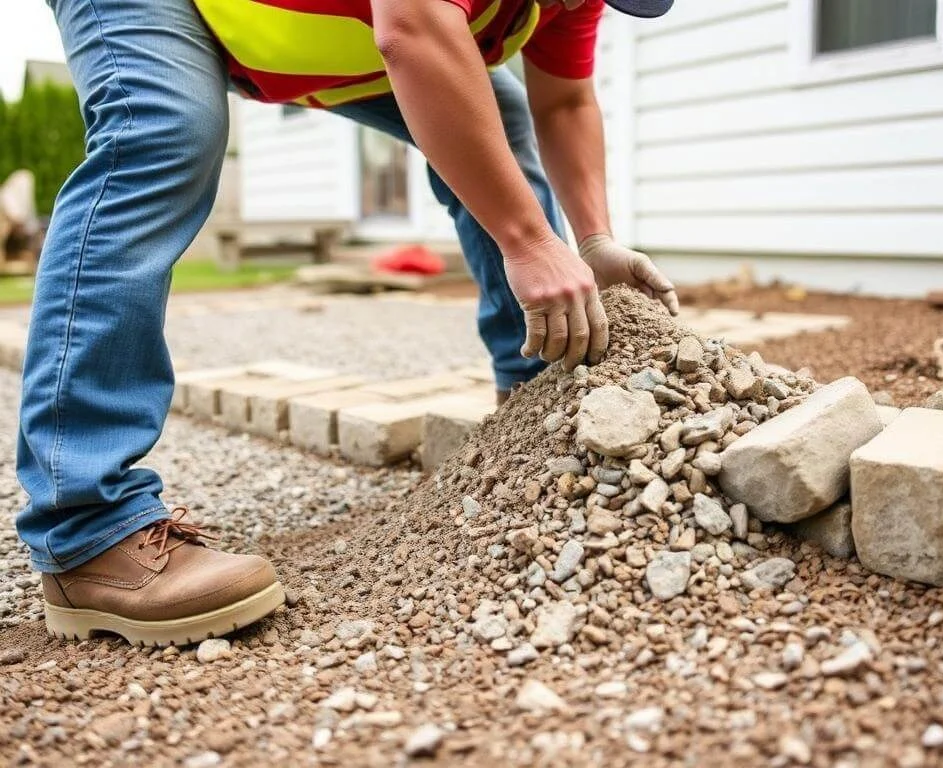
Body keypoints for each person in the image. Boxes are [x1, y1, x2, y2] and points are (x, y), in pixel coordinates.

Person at [20, 0, 678, 648]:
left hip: (277, 34)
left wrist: (592, 242)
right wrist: (531, 243)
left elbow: (562, 103)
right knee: (163, 128)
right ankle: (86, 526)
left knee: (497, 115)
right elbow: (412, 27)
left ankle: (535, 402)